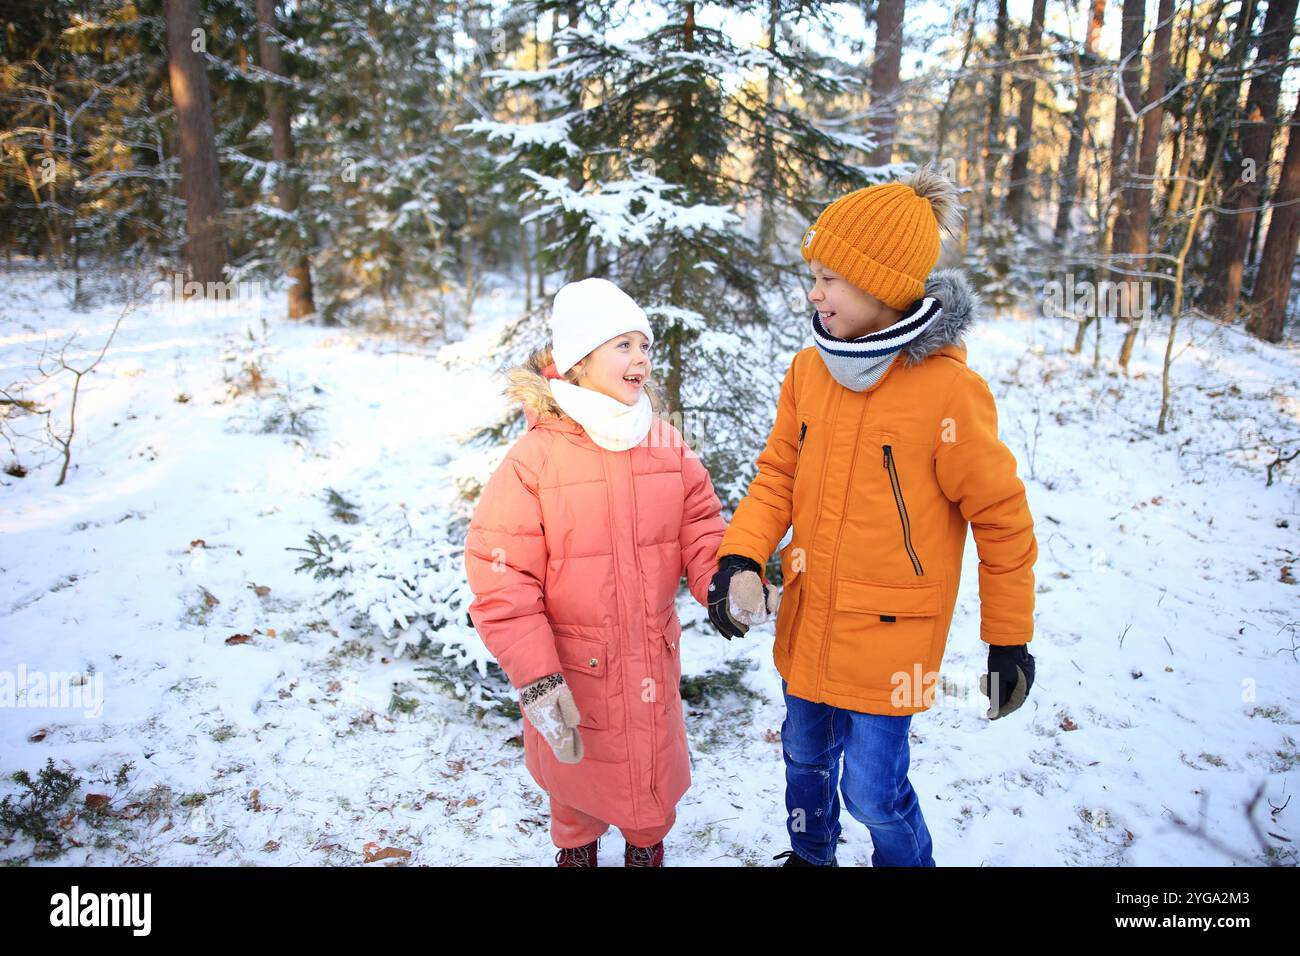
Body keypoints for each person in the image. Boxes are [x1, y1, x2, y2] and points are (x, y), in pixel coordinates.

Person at [708, 164, 1039, 867]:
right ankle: (811, 854)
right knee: (802, 759)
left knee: (873, 793)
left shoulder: (949, 392)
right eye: (814, 275)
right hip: (808, 623)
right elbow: (776, 477)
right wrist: (739, 559)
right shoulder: (808, 372)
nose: (814, 291)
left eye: (830, 276)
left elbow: (1002, 519)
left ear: (884, 285)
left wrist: (1007, 638)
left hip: (891, 643)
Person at [464, 277, 730, 867]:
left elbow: (701, 523)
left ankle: (645, 848)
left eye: (645, 346)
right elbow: (502, 580)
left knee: (649, 766)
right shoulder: (536, 458)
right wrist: (537, 677)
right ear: (579, 362)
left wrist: (721, 582)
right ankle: (577, 852)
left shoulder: (663, 443)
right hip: (568, 663)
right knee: (573, 769)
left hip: (649, 653)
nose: (641, 359)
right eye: (623, 345)